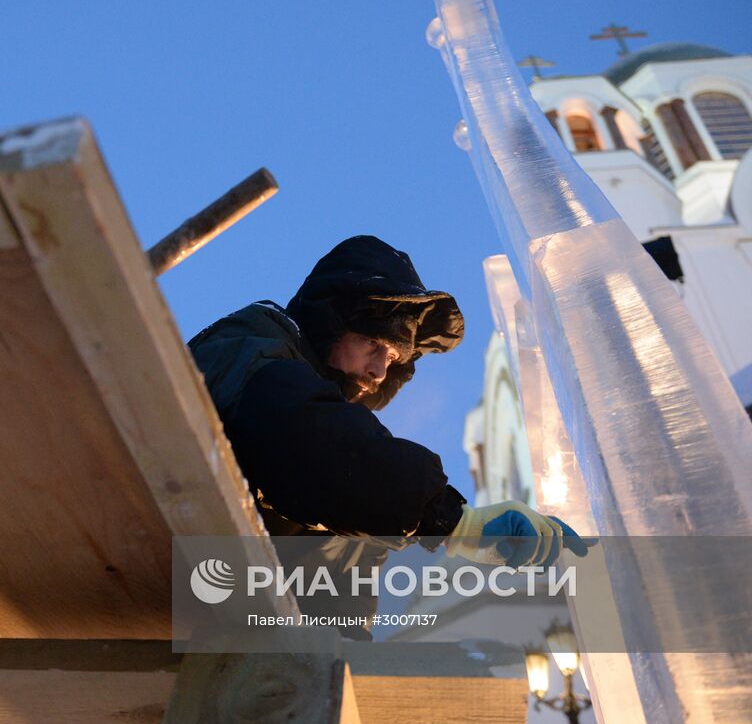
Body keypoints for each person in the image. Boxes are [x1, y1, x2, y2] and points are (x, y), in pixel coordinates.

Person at [187, 235, 587, 633]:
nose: (380, 370)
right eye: (372, 342)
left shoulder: (344, 491)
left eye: (394, 357)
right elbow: (302, 439)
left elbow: (335, 606)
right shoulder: (252, 346)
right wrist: (451, 521)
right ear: (332, 324)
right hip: (178, 562)